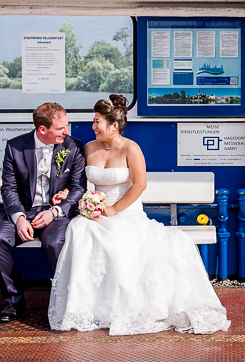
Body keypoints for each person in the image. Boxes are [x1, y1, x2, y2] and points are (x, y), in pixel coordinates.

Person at [48, 94, 230, 335]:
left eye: (97, 122)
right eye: (94, 122)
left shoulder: (131, 148)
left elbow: (139, 185)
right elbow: (80, 181)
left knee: (115, 242)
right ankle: (86, 309)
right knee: (79, 230)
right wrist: (67, 193)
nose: (93, 127)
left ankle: (121, 307)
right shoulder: (89, 147)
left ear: (113, 126)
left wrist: (114, 209)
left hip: (125, 211)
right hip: (97, 213)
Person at [0, 102, 87, 324]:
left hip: (55, 213)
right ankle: (14, 301)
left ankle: (67, 300)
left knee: (54, 243)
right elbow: (8, 188)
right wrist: (19, 219)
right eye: (61, 128)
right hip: (23, 211)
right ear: (42, 129)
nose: (66, 132)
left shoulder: (74, 146)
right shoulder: (15, 147)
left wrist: (56, 211)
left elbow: (79, 187)